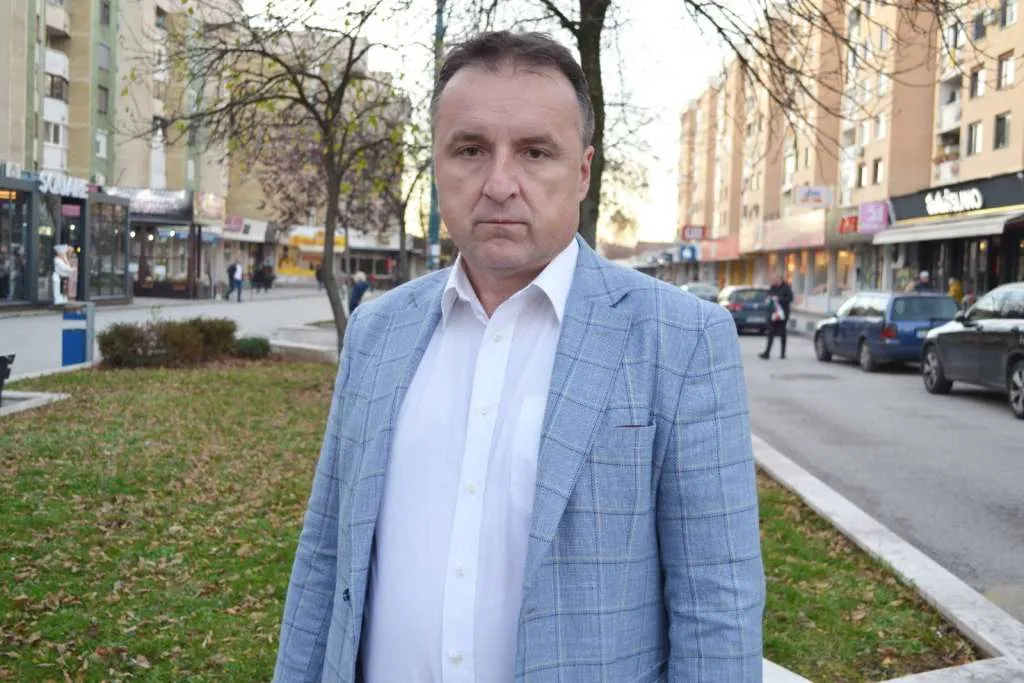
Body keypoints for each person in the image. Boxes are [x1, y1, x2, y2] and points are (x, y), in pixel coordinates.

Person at [274, 31, 764, 683]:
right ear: (438, 164)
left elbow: (718, 607)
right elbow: (325, 556)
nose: (499, 184)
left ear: (582, 172)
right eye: (471, 150)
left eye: (535, 152)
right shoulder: (377, 332)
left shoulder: (681, 340)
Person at [759, 272, 794, 360]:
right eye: (773, 279)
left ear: (780, 279)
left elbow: (790, 298)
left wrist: (779, 299)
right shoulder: (773, 287)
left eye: (776, 279)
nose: (774, 280)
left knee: (782, 332)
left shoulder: (786, 287)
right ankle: (767, 353)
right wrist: (768, 298)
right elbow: (768, 295)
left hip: (783, 313)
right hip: (773, 313)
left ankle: (783, 353)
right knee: (770, 332)